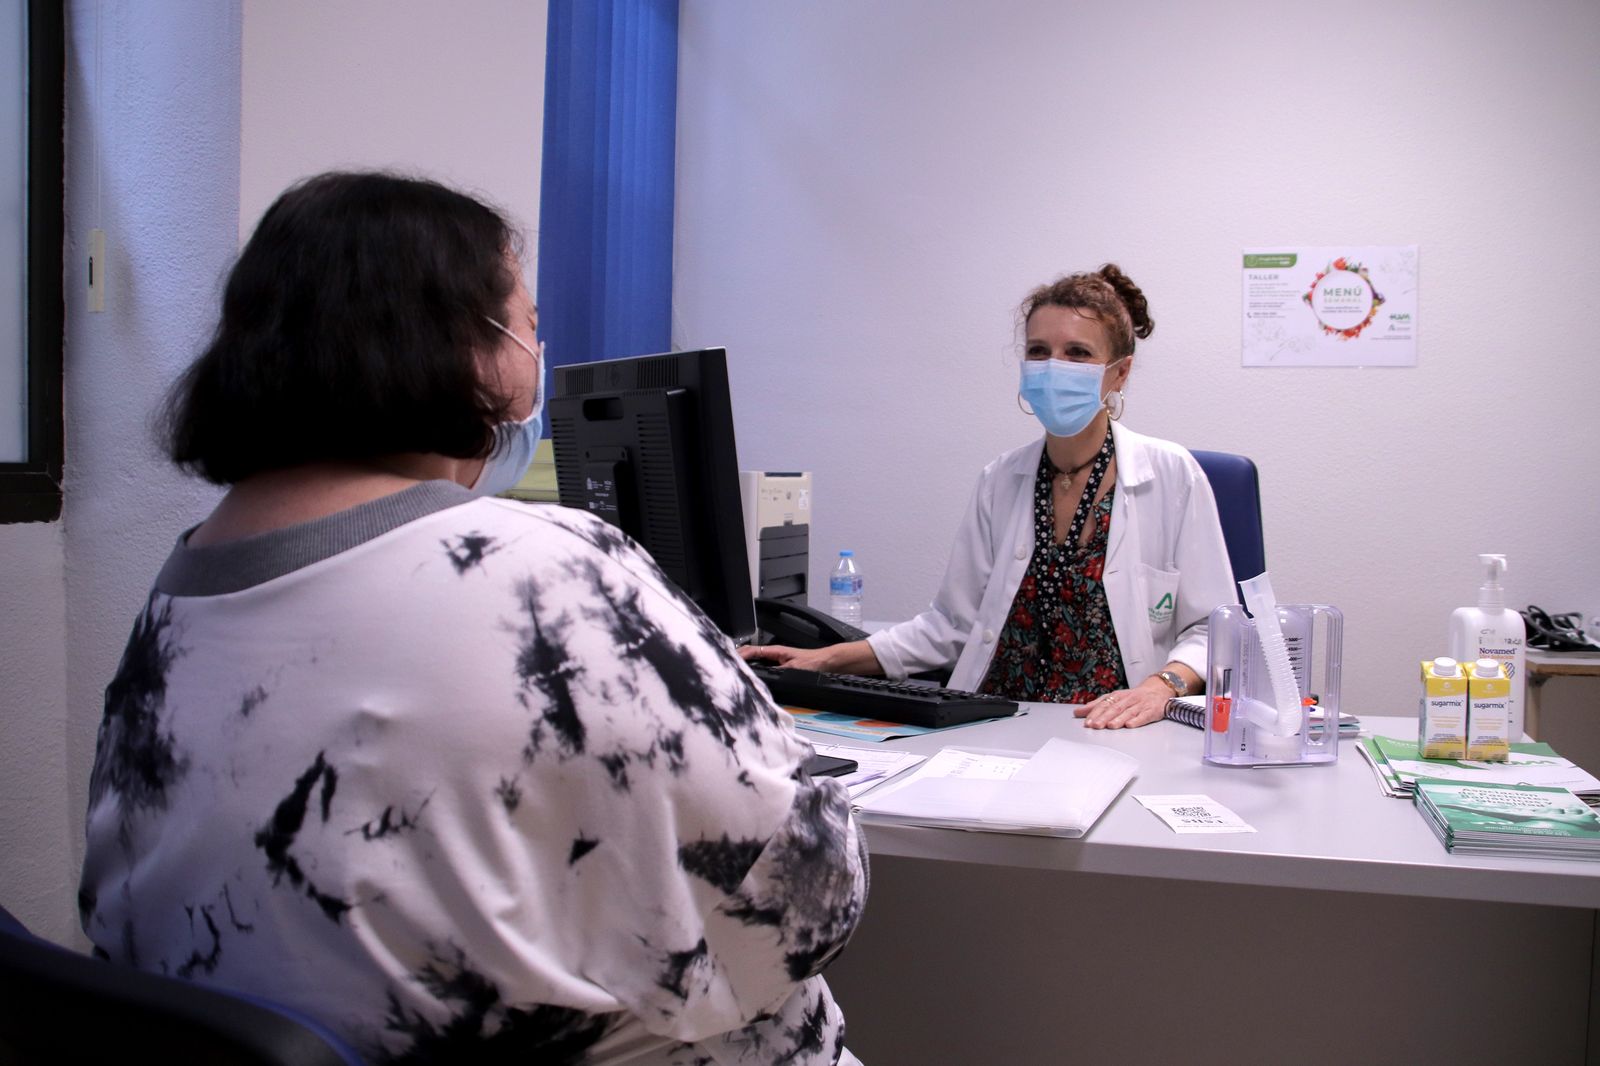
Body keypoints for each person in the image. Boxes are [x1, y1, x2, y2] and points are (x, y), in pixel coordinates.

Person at [79, 172, 868, 1065]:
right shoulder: (541, 570)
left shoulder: (182, 591)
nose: (536, 353)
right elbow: (803, 899)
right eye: (528, 324)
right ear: (462, 345)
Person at [743, 265, 1235, 730]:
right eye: (1039, 351)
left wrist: (1159, 686)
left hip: (1110, 724)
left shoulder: (1172, 477)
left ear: (1119, 373)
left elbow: (1215, 628)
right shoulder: (1002, 479)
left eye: (1078, 354)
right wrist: (821, 659)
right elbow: (950, 625)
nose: (1053, 367)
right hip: (995, 719)